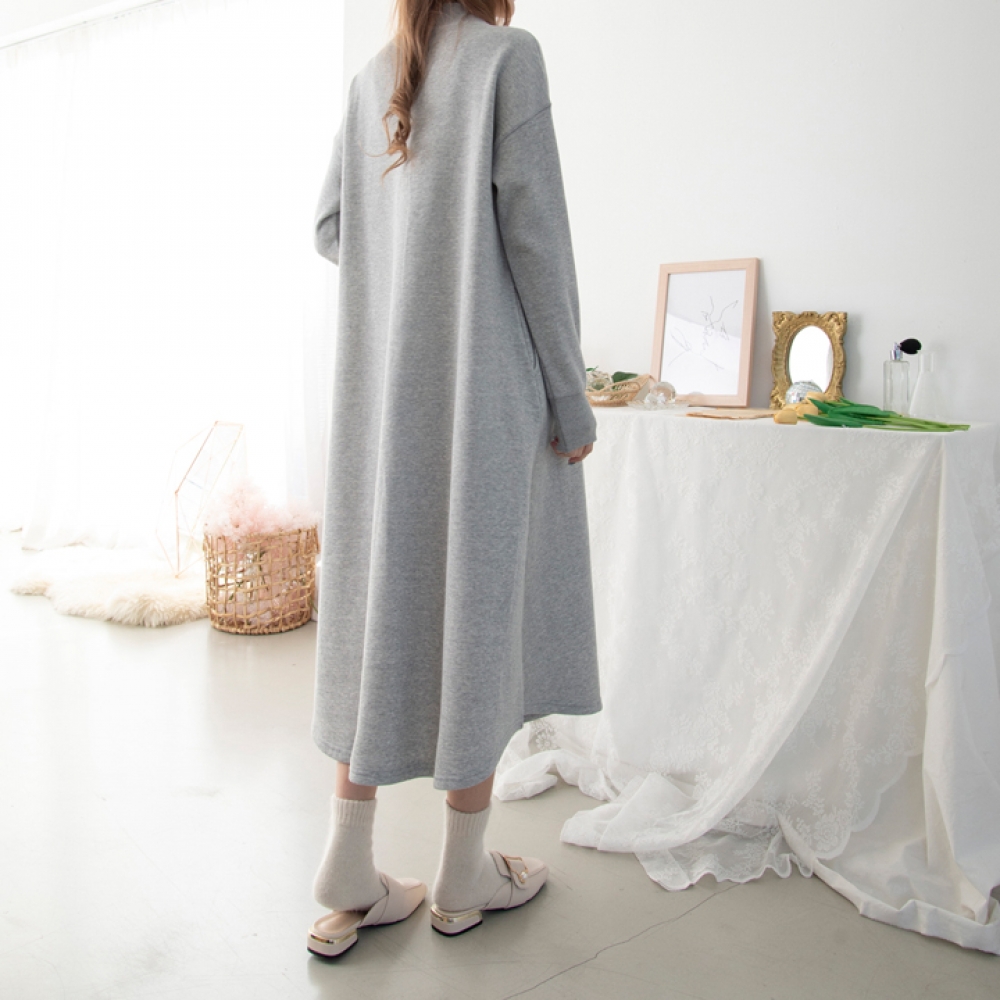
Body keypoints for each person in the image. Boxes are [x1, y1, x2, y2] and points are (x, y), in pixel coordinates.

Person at [307, 0, 601, 957]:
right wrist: (571, 401)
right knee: (479, 610)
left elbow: (332, 225)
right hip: (483, 396)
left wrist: (408, 269)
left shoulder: (372, 80)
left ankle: (348, 860)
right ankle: (465, 870)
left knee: (378, 606)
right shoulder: (508, 58)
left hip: (386, 400)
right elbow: (538, 245)